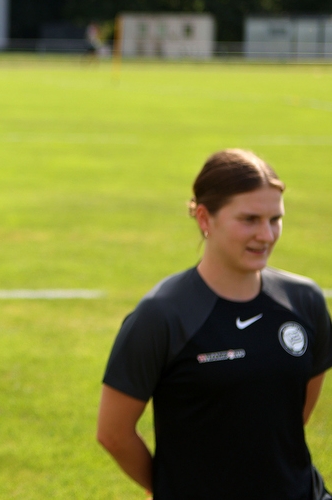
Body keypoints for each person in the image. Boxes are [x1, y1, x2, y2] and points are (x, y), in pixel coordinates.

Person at [97, 149, 332, 500]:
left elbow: (293, 416)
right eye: (250, 219)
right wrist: (171, 486)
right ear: (205, 218)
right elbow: (113, 432)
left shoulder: (305, 302)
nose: (267, 235)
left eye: (275, 219)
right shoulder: (161, 315)